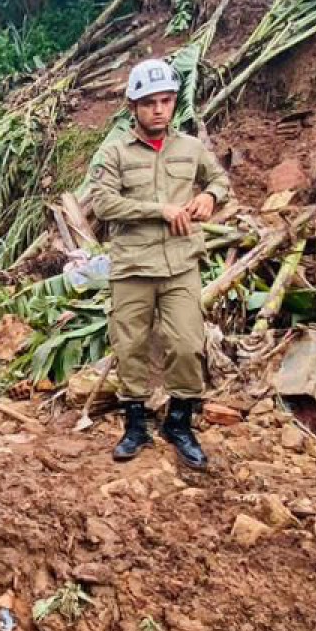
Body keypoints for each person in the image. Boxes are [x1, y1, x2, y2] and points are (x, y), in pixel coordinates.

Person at [84, 59, 232, 470]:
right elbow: (103, 203)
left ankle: (180, 422)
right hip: (133, 266)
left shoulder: (191, 147)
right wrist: (159, 210)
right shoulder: (113, 151)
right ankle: (135, 425)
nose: (159, 110)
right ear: (133, 106)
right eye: (149, 103)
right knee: (130, 346)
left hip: (181, 264)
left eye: (166, 101)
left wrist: (210, 198)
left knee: (187, 345)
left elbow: (219, 179)